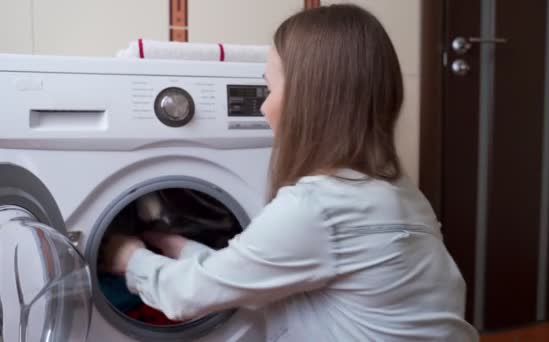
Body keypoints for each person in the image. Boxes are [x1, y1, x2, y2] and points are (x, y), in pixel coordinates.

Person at [103, 4, 479, 341]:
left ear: (306, 101)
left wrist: (126, 255)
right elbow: (252, 276)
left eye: (268, 89)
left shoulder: (316, 208)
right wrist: (180, 248)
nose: (264, 107)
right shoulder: (398, 192)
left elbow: (188, 295)